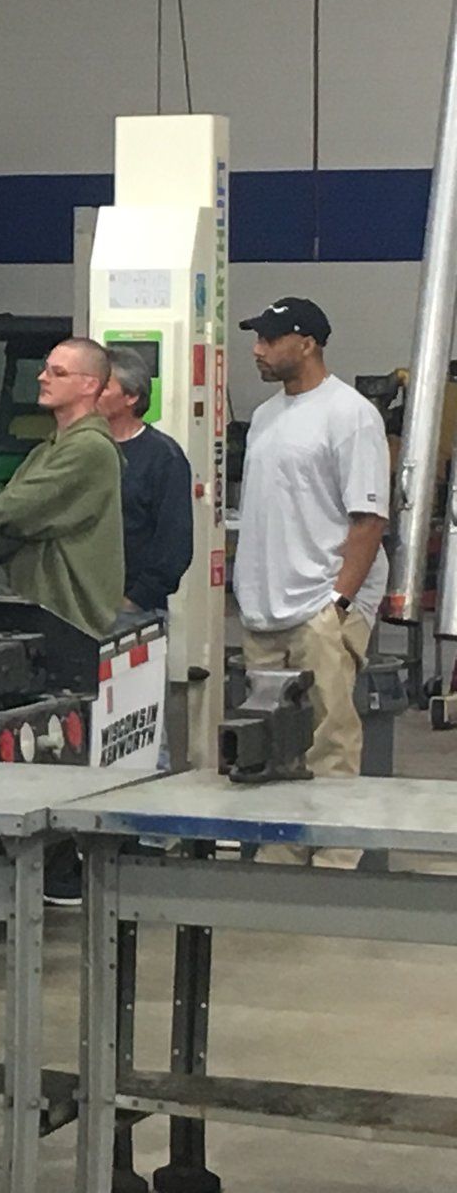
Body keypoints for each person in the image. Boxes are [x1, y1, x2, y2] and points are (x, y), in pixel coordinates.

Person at [233, 298, 388, 868]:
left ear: (307, 343)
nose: (258, 349)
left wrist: (338, 604)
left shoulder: (349, 415)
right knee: (272, 744)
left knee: (330, 737)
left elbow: (369, 519)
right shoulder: (270, 416)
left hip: (320, 605)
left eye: (270, 339)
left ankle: (333, 864)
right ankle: (282, 851)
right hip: (265, 610)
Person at [0, 336, 124, 639]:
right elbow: (1, 513)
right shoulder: (49, 448)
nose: (42, 378)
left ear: (89, 385)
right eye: (45, 370)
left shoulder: (89, 448)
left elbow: (8, 511)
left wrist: (3, 524)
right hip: (40, 613)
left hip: (69, 620)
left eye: (58, 373)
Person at [99, 347, 193, 625]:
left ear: (131, 396)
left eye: (104, 386)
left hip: (132, 610)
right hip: (82, 603)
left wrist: (137, 599)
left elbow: (174, 541)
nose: (92, 394)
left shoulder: (163, 456)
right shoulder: (80, 448)